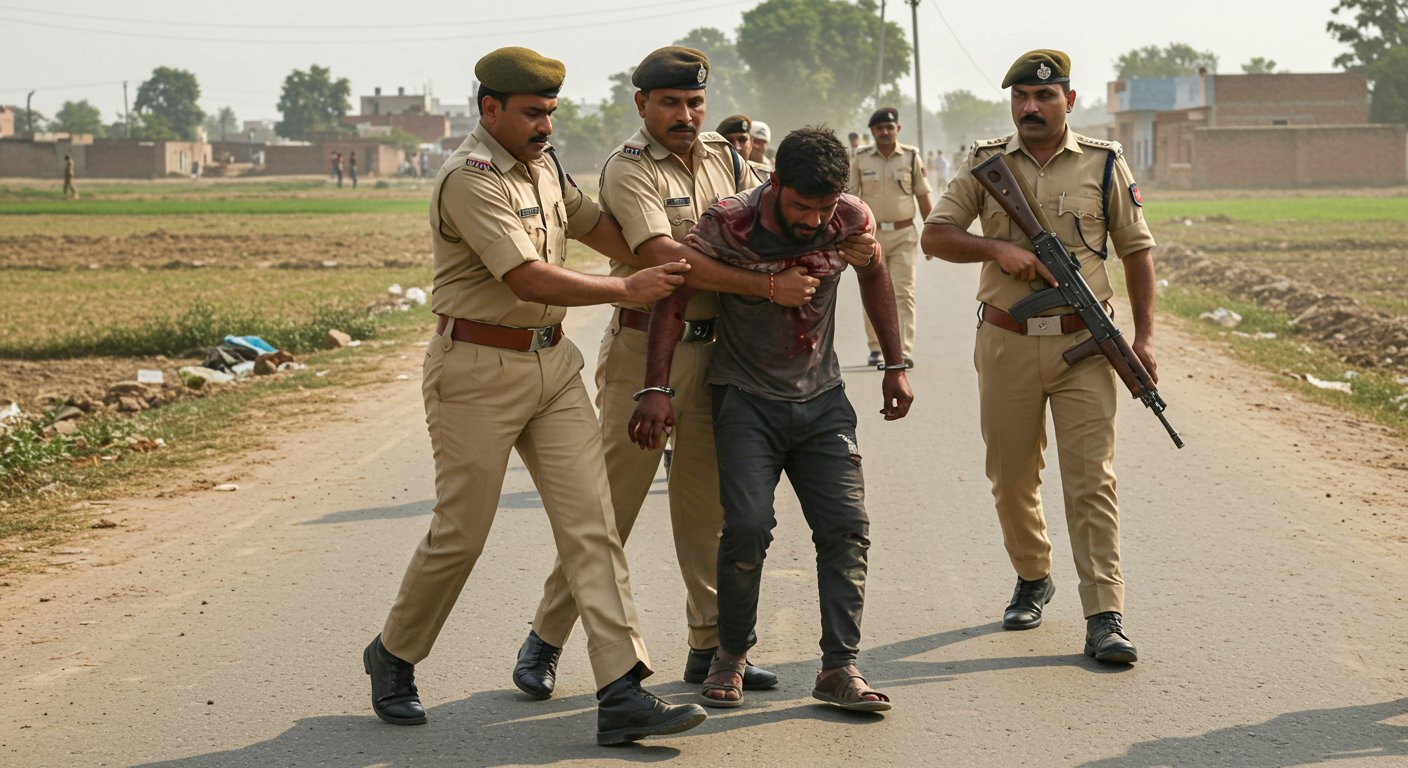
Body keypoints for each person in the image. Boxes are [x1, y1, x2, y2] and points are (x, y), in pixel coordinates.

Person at [363, 45, 708, 746]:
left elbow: (589, 224)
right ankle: (394, 652)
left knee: (593, 527)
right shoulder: (471, 178)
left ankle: (621, 691)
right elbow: (526, 278)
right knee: (463, 532)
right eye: (530, 113)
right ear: (489, 109)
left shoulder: (544, 165)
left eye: (550, 111)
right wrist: (626, 287)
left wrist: (660, 252)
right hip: (476, 371)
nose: (544, 124)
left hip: (553, 369)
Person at [513, 45, 821, 703]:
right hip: (646, 354)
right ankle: (544, 641)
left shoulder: (727, 157)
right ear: (642, 105)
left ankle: (709, 648)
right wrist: (769, 288)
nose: (685, 115)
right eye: (672, 103)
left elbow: (778, 214)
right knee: (610, 509)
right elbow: (667, 260)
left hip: (722, 356)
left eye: (694, 102)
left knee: (705, 510)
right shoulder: (626, 171)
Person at [630, 126, 913, 712]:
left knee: (846, 529)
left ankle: (839, 667)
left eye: (825, 207)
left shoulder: (850, 218)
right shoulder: (728, 222)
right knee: (748, 529)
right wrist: (655, 388)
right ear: (775, 183)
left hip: (823, 399)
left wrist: (895, 363)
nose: (813, 220)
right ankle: (730, 653)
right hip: (745, 400)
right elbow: (675, 296)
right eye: (801, 206)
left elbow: (876, 271)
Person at [920, 49, 1158, 664]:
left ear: (1069, 102)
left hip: (1087, 344)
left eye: (1045, 96)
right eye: (1022, 96)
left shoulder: (1104, 164)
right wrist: (996, 251)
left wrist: (1145, 337)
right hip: (1006, 342)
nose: (1032, 106)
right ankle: (1033, 574)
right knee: (1012, 475)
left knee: (1091, 481)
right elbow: (936, 236)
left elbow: (1136, 252)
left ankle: (1105, 614)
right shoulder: (986, 164)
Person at [850, 107, 932, 369]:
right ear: (872, 132)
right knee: (871, 290)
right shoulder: (860, 158)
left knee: (903, 292)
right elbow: (851, 199)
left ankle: (902, 351)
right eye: (879, 128)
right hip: (870, 238)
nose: (884, 132)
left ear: (898, 129)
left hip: (904, 234)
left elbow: (922, 196)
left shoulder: (910, 157)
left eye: (889, 127)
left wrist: (932, 233)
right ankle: (876, 347)